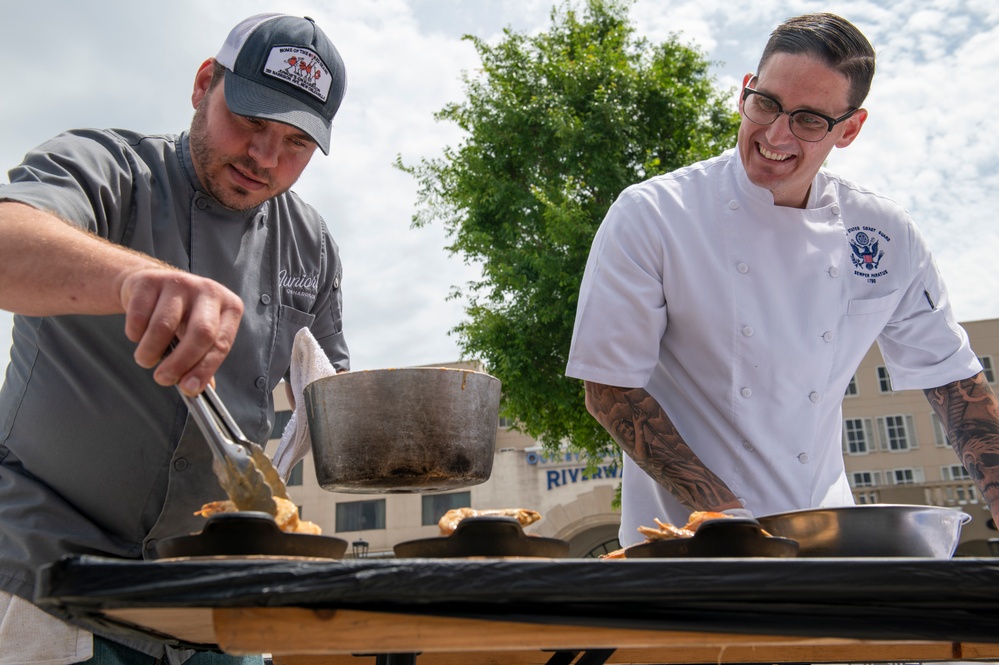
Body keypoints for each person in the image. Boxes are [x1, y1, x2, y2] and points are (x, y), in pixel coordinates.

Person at [565, 12, 999, 548]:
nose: (775, 134)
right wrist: (728, 519)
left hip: (823, 536)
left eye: (809, 119)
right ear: (746, 90)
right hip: (683, 543)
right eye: (765, 103)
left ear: (850, 129)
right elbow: (610, 388)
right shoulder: (654, 215)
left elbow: (956, 384)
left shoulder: (883, 234)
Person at [0, 13, 349, 665]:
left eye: (296, 142)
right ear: (203, 84)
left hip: (221, 600)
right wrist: (135, 278)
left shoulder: (313, 245)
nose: (265, 158)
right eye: (250, 122)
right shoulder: (108, 166)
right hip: (55, 582)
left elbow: (334, 402)